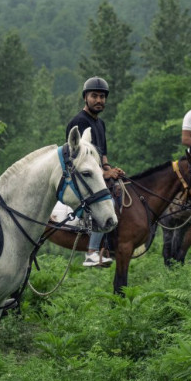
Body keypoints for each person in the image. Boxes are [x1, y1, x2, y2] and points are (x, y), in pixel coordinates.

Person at [66, 76, 125, 267]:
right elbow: (82, 157)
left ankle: (110, 245)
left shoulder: (100, 123)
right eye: (94, 96)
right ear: (85, 98)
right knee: (103, 200)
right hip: (82, 172)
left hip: (96, 170)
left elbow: (103, 154)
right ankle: (91, 251)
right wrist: (103, 174)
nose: (99, 100)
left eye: (102, 97)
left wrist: (110, 169)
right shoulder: (79, 121)